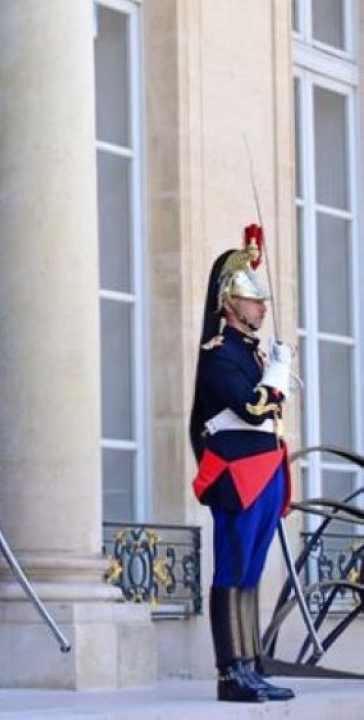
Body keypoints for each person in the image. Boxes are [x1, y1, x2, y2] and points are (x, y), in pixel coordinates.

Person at [189, 223, 295, 704]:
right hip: (238, 475)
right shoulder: (220, 355)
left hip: (265, 469)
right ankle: (230, 670)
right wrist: (274, 375)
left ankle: (251, 664)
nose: (263, 307)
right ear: (230, 303)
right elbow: (253, 406)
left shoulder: (250, 355)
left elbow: (271, 408)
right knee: (232, 569)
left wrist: (271, 373)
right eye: (254, 300)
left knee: (251, 571)